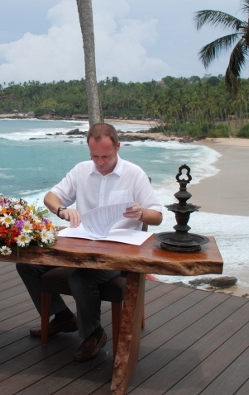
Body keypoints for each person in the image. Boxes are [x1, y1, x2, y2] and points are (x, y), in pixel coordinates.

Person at [17, 123, 162, 361]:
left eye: (106, 156)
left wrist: (141, 213)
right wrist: (62, 210)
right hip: (80, 245)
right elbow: (50, 197)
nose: (100, 162)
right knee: (27, 264)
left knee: (80, 278)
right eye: (94, 156)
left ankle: (94, 333)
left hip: (118, 253)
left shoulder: (134, 174)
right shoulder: (82, 170)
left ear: (118, 146)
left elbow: (157, 215)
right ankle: (63, 317)